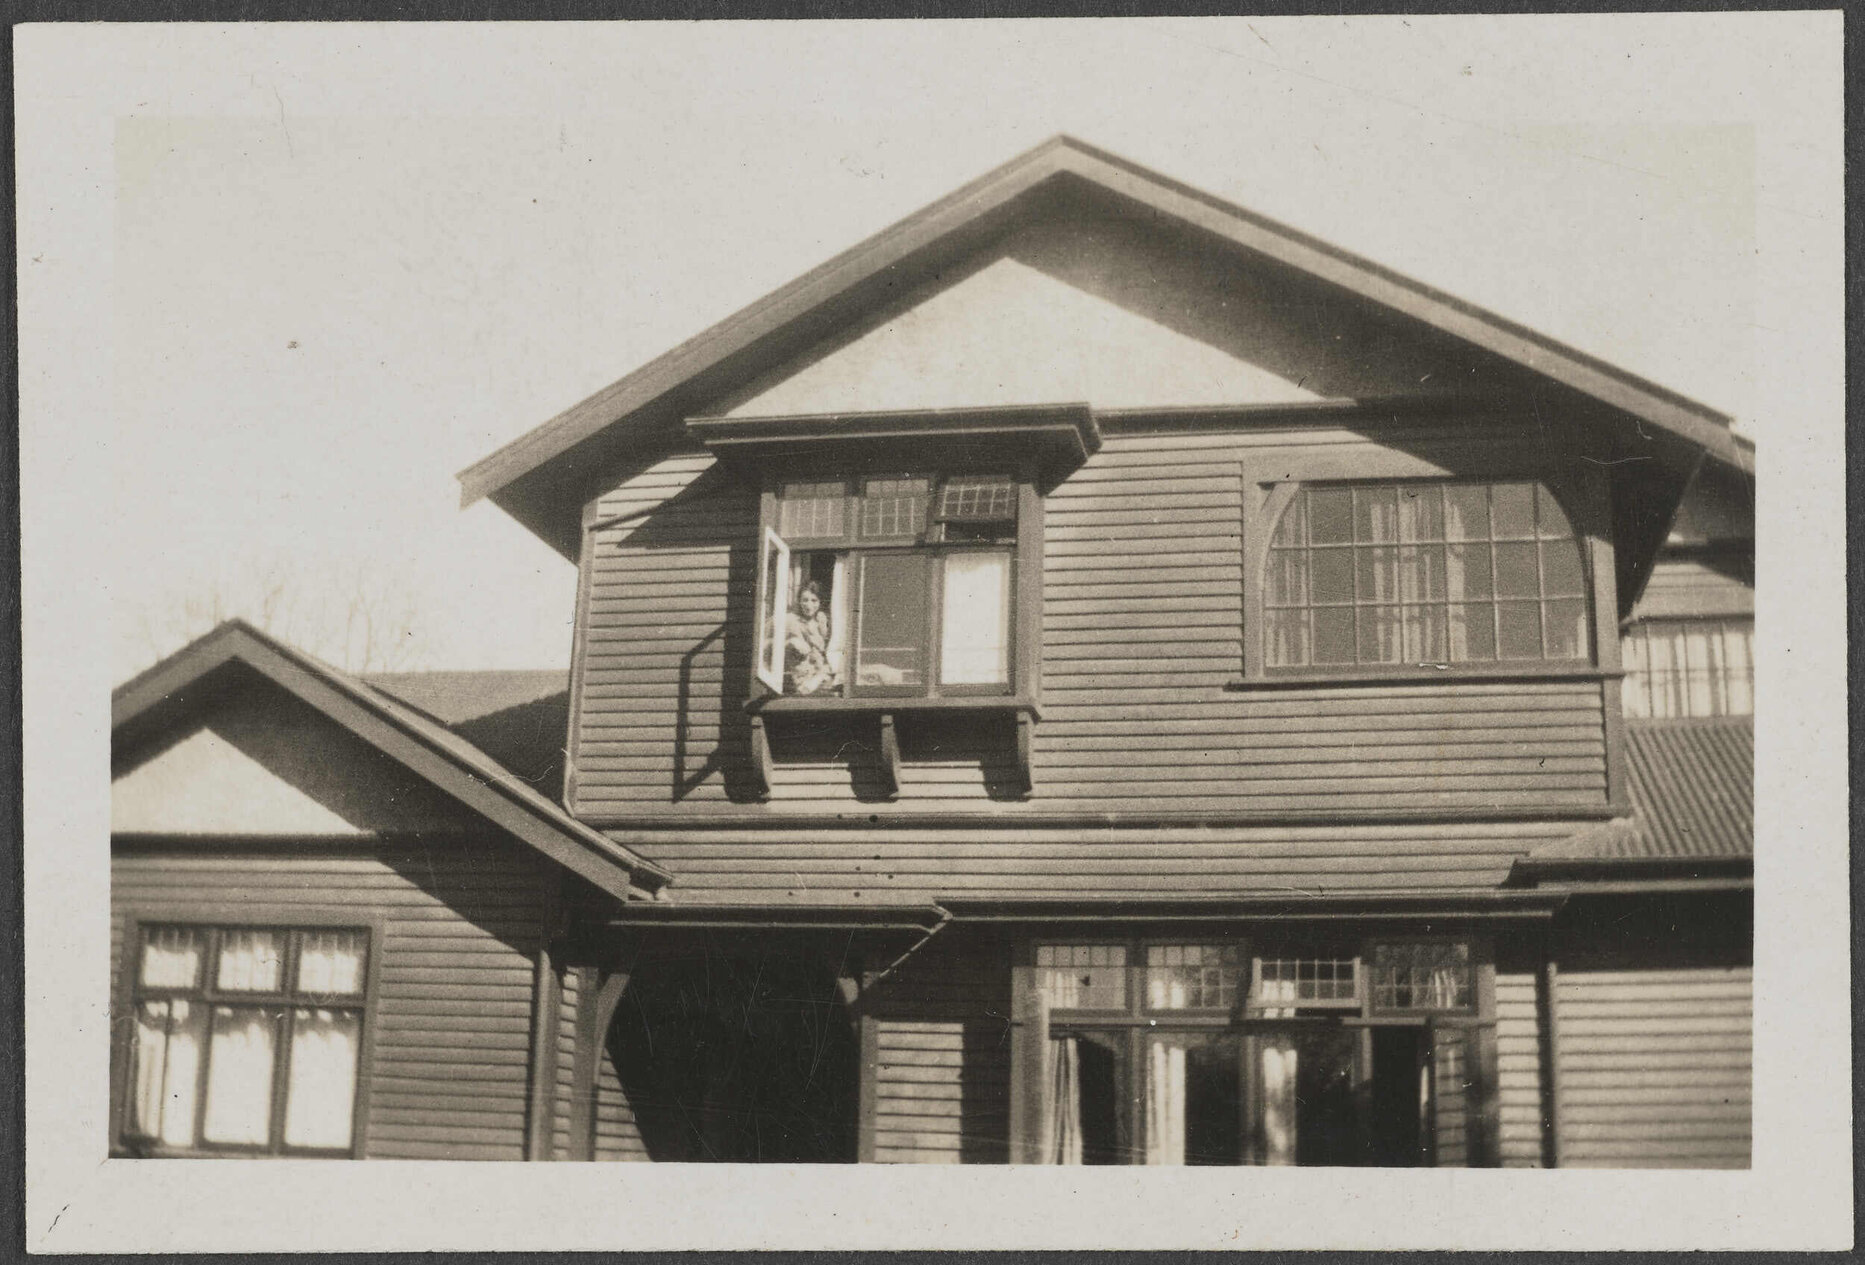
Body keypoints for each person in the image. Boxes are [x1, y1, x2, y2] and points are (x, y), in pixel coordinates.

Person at [783, 581, 841, 695]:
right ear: (799, 601)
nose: (809, 605)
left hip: (823, 679)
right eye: (805, 600)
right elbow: (769, 644)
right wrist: (790, 642)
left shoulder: (822, 622)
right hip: (803, 681)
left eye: (814, 600)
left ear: (820, 602)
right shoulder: (790, 621)